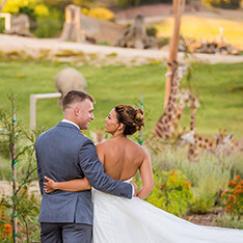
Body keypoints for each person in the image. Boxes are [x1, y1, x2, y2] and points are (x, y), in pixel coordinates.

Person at [44, 105, 243, 243]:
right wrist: (134, 203)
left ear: (120, 125)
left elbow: (90, 182)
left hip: (101, 207)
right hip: (128, 203)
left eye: (109, 117)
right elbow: (148, 186)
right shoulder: (141, 152)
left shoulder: (100, 148)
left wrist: (57, 185)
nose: (105, 120)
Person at [35, 91, 134, 243]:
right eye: (90, 112)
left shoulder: (42, 139)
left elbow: (43, 180)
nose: (92, 116)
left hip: (49, 214)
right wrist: (128, 188)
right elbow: (98, 181)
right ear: (77, 111)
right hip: (76, 217)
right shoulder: (83, 143)